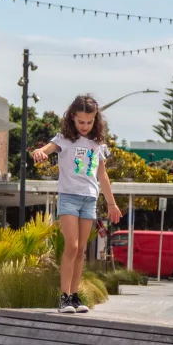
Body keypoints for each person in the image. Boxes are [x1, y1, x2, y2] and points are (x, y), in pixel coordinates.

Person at [30, 94, 122, 314]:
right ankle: (63, 297)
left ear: (95, 119)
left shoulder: (97, 142)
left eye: (89, 122)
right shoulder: (64, 138)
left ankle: (73, 295)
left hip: (89, 198)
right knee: (71, 246)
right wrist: (39, 152)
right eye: (81, 122)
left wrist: (112, 204)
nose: (85, 126)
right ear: (72, 117)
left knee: (81, 250)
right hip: (69, 197)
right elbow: (47, 149)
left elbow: (102, 175)